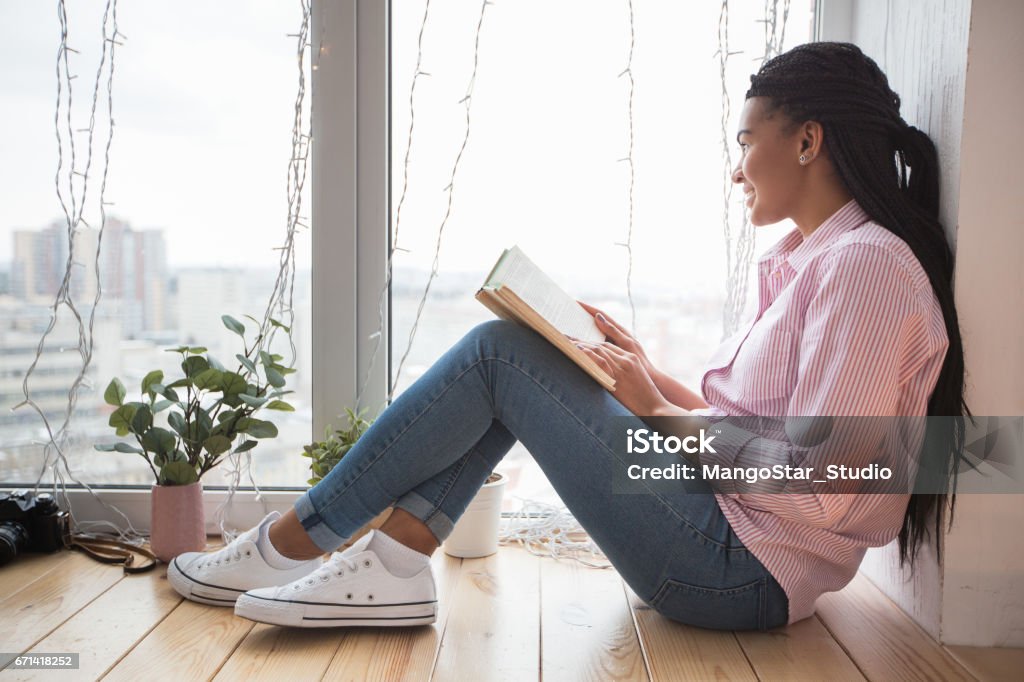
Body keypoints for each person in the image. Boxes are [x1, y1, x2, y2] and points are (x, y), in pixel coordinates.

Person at [167, 42, 967, 631]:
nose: (737, 169)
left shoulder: (865, 268)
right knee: (521, 355)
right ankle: (390, 565)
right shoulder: (814, 261)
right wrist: (645, 377)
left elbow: (823, 485)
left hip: (738, 572)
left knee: (500, 354)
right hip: (725, 538)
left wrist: (651, 407)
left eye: (745, 142)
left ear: (807, 140)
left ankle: (292, 542)